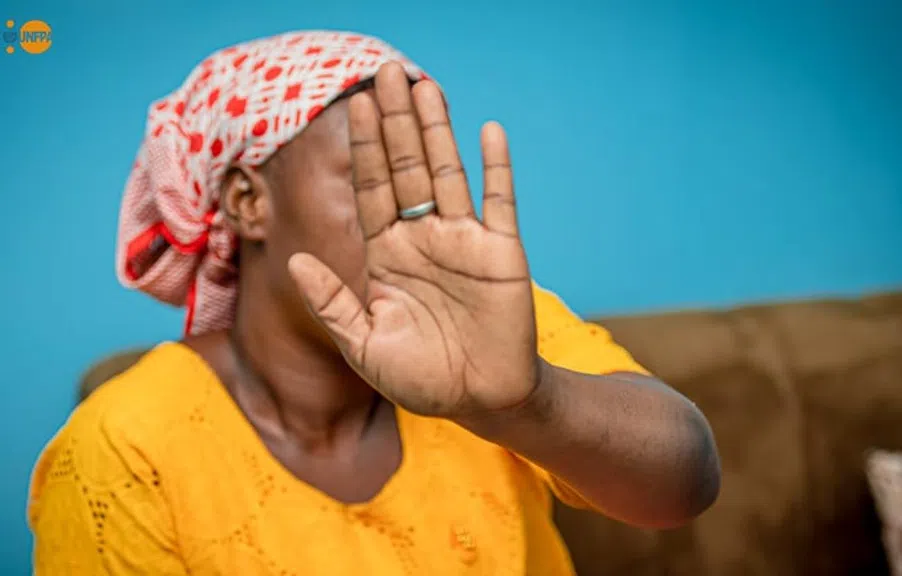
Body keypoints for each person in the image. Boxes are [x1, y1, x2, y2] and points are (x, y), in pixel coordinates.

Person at [28, 31, 720, 575]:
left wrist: (522, 403)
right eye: (373, 178)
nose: (418, 220)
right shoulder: (126, 450)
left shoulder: (485, 330)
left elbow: (684, 484)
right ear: (247, 201)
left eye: (423, 183)